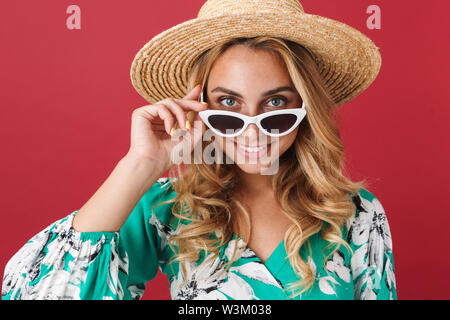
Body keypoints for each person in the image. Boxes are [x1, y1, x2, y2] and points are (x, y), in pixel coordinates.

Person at [2, 0, 397, 300]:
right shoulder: (169, 209)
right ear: (201, 106)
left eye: (275, 104)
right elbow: (37, 291)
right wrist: (139, 164)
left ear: (304, 108)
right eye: (229, 104)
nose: (253, 130)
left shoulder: (357, 214)